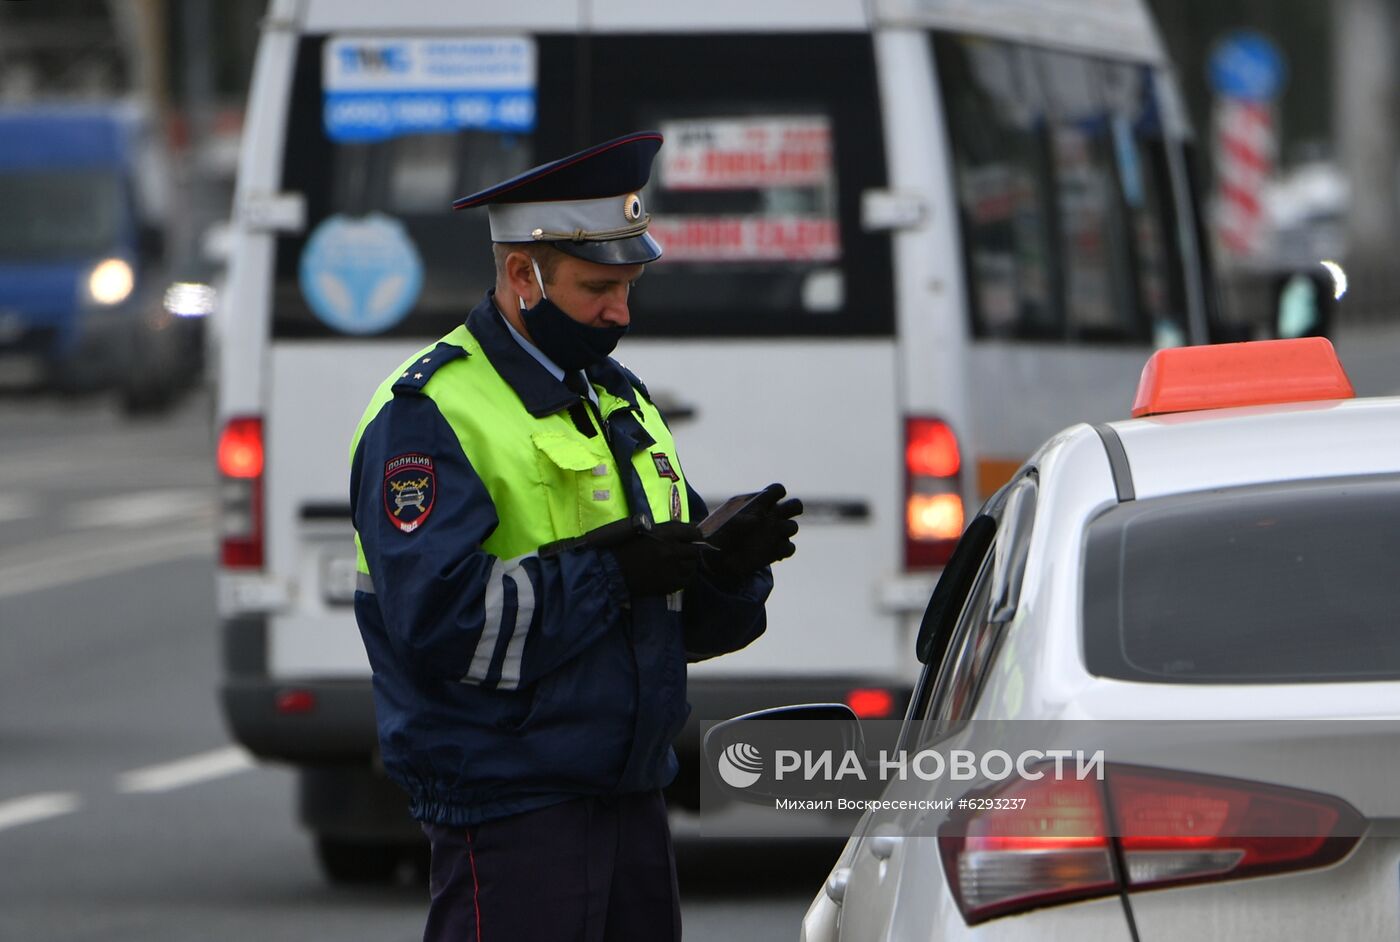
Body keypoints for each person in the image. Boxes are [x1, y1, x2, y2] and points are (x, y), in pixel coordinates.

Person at [348, 130, 802, 942]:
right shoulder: (428, 416)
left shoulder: (616, 399)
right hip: (510, 801)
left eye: (630, 287)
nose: (621, 313)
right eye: (598, 288)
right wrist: (611, 578)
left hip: (626, 792)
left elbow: (661, 623)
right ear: (522, 275)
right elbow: (442, 625)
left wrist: (723, 570)